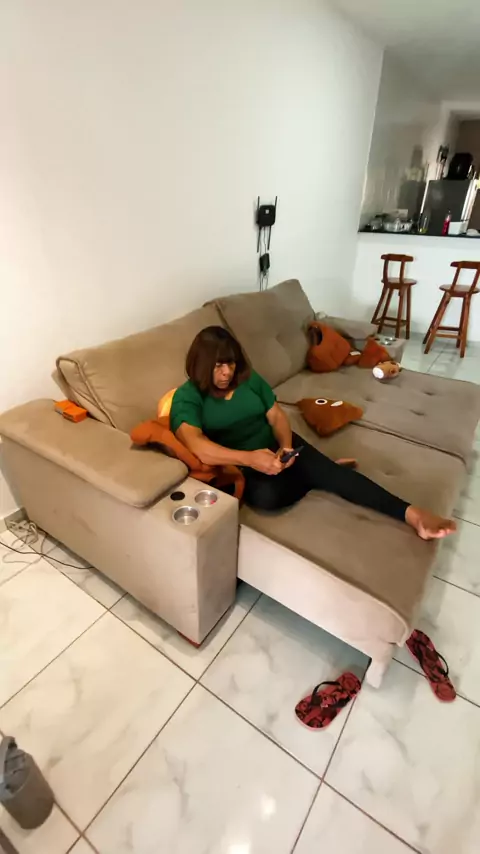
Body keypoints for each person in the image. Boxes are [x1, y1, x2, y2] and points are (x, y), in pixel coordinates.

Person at [170, 326, 456, 541]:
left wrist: (285, 446)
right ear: (202, 365)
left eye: (231, 363)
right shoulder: (187, 397)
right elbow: (198, 445)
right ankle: (318, 474)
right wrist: (251, 459)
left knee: (338, 477)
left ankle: (413, 514)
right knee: (268, 498)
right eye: (218, 365)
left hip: (278, 448)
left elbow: (276, 415)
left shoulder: (248, 379)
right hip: (244, 465)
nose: (227, 372)